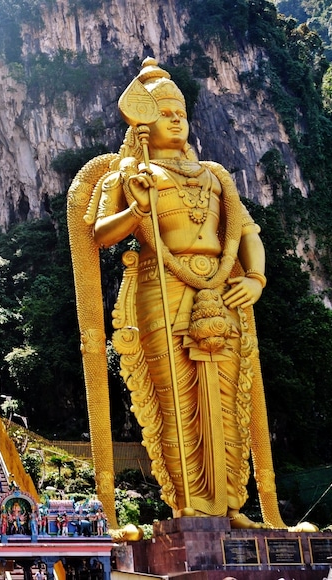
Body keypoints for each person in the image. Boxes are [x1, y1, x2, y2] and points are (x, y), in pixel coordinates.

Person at [73, 57, 278, 528]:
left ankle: (231, 505)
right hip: (159, 285)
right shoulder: (130, 174)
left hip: (223, 288)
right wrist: (136, 208)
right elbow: (101, 233)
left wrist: (254, 278)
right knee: (176, 400)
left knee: (228, 399)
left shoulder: (215, 175)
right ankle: (188, 504)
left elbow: (246, 231)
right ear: (144, 122)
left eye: (180, 111)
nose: (176, 119)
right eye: (164, 112)